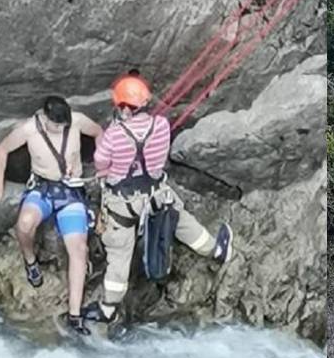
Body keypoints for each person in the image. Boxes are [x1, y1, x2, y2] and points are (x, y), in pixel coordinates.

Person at [79, 73, 233, 328]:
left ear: (123, 107)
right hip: (156, 193)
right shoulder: (160, 125)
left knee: (119, 252)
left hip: (122, 201)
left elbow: (101, 162)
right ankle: (216, 250)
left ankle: (108, 309)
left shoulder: (114, 134)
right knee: (180, 220)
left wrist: (112, 168)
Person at [0, 96, 103, 332]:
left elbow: (100, 132)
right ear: (45, 117)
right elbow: (2, 150)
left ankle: (74, 314)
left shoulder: (78, 121)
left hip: (71, 191)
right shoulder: (29, 129)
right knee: (25, 224)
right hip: (42, 188)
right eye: (56, 125)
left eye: (63, 125)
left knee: (79, 249)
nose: (60, 129)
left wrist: (102, 167)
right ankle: (30, 261)